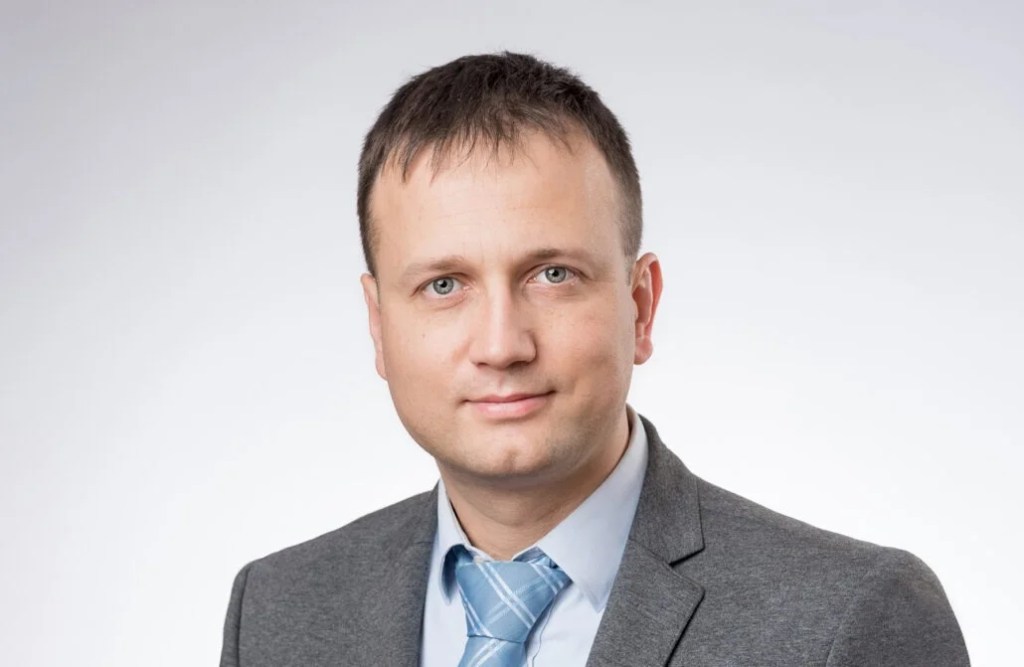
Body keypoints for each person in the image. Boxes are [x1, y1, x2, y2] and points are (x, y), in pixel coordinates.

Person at [219, 52, 969, 666]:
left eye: (553, 275)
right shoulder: (278, 613)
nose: (502, 346)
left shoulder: (852, 619)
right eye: (443, 285)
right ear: (379, 324)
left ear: (640, 305)